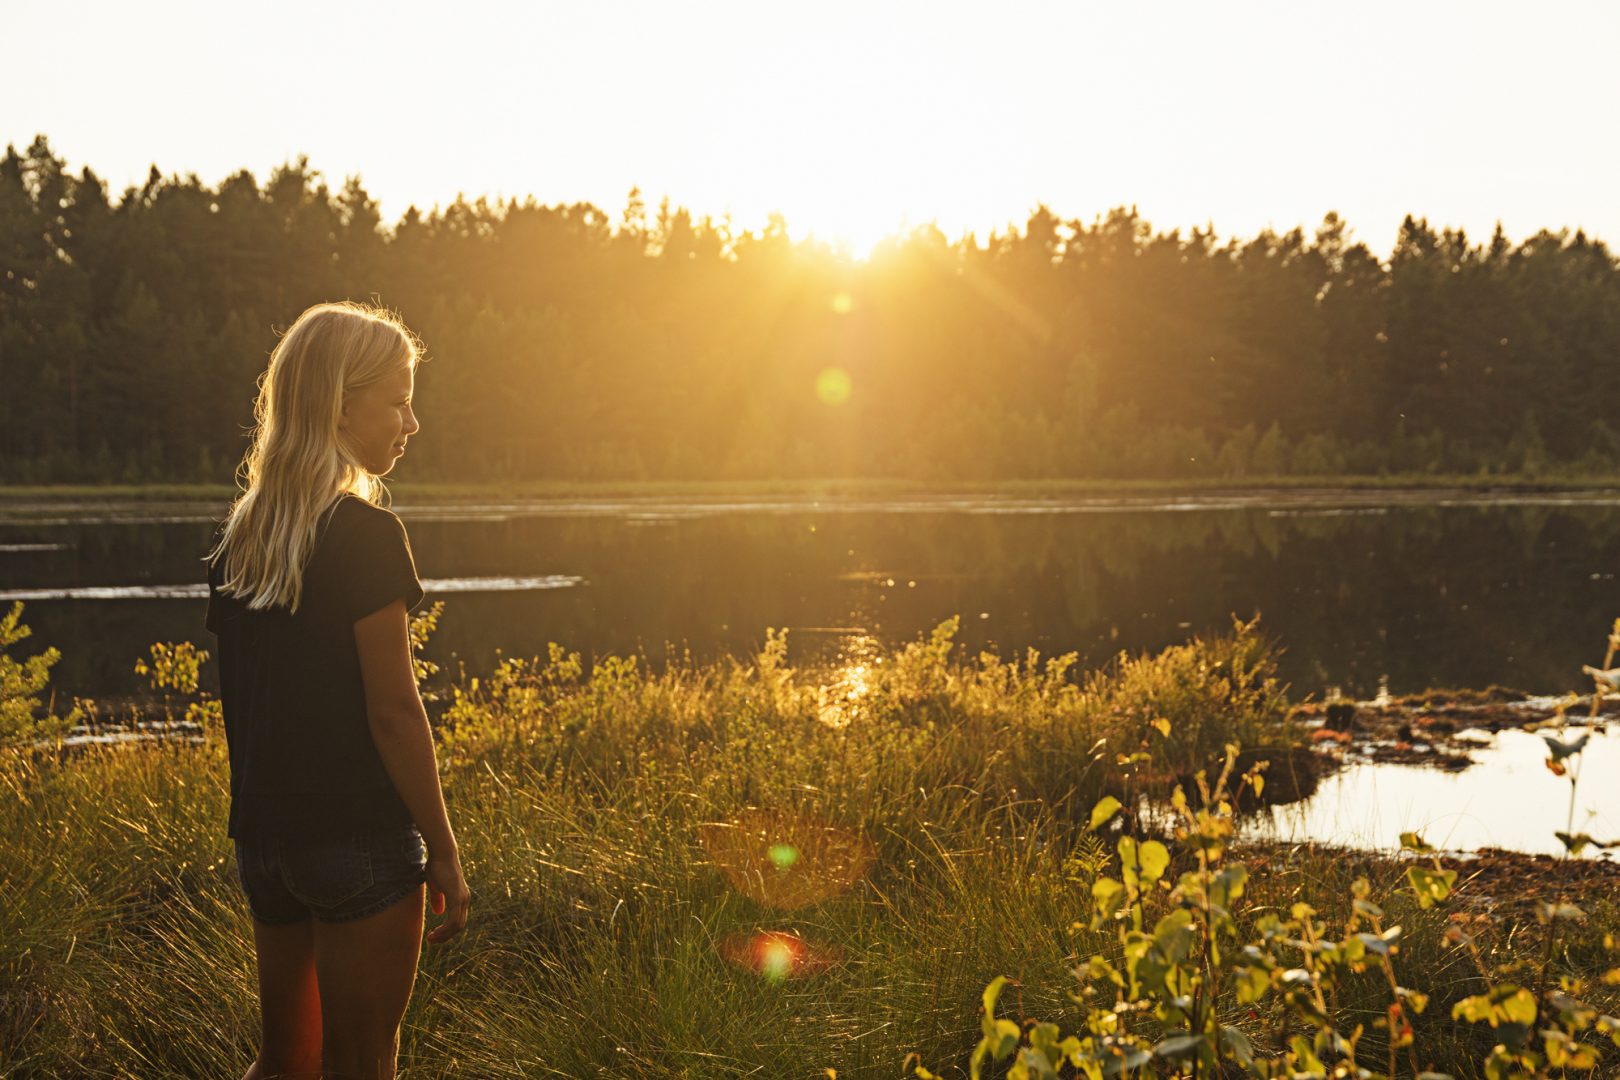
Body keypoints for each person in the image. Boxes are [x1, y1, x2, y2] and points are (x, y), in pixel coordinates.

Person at [205, 301, 471, 1080]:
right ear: (340, 404)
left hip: (266, 845)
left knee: (285, 1062)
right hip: (358, 839)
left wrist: (264, 829)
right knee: (362, 1063)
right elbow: (393, 710)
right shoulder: (364, 534)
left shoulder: (240, 541)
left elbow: (244, 710)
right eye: (396, 400)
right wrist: (444, 851)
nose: (411, 422)